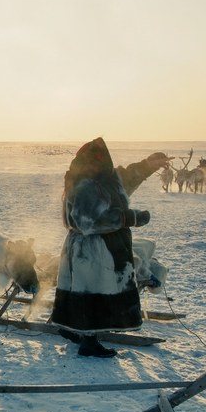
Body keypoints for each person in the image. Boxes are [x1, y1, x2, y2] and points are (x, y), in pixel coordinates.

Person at [50, 137, 172, 357]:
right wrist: (129, 218)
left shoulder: (104, 180)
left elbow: (126, 177)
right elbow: (88, 221)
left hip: (102, 248)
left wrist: (148, 165)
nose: (101, 165)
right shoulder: (85, 185)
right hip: (91, 250)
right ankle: (88, 341)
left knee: (92, 291)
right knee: (92, 292)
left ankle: (77, 331)